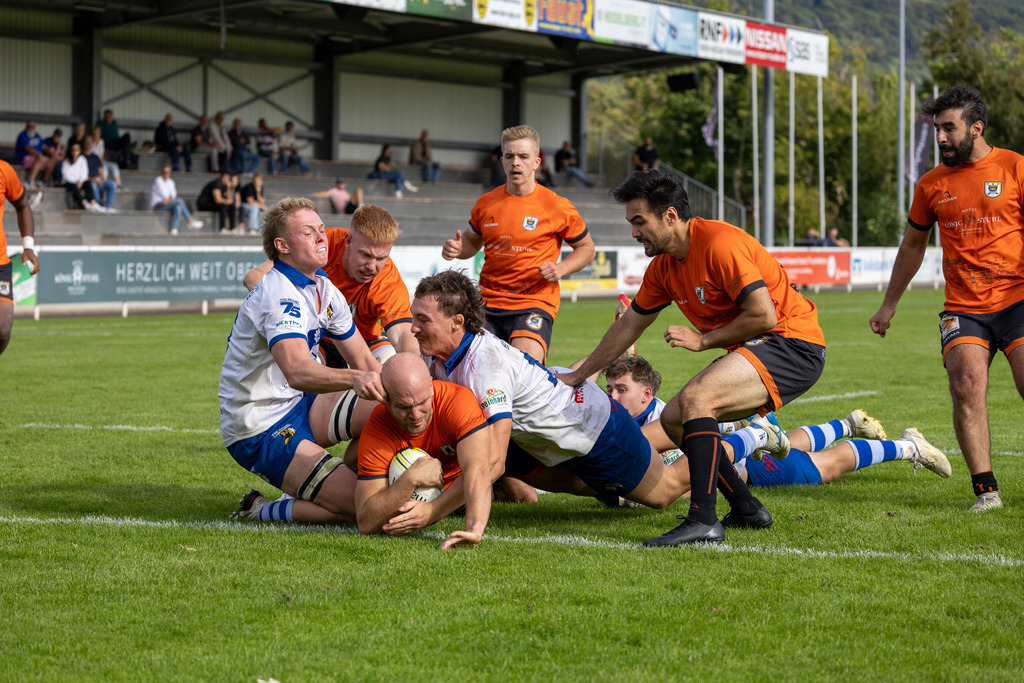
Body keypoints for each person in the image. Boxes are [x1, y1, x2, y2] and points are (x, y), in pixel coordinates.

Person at [557, 170, 827, 546]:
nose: (634, 232)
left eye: (639, 221)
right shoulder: (663, 268)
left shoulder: (719, 243)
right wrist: (582, 374)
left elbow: (763, 315)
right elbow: (628, 326)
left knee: (698, 399)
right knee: (673, 418)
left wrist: (703, 341)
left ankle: (703, 518)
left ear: (669, 216)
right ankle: (746, 507)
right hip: (762, 345)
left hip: (793, 343)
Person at [410, 270, 697, 512]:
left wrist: (433, 511)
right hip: (552, 427)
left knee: (664, 492)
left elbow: (493, 463)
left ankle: (728, 439)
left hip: (595, 428)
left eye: (423, 320)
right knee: (582, 483)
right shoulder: (441, 352)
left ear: (457, 322)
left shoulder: (485, 368)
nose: (413, 328)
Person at [870, 84, 1024, 514]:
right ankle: (985, 491)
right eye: (937, 128)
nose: (940, 138)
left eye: (949, 128)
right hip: (964, 306)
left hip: (1018, 300)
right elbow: (913, 246)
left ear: (976, 128)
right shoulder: (931, 184)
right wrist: (889, 305)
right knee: (965, 387)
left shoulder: (1015, 168)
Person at [221, 197, 386, 525]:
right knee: (367, 506)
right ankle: (260, 510)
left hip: (300, 402)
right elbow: (296, 370)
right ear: (281, 245)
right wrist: (355, 379)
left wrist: (410, 399)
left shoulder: (323, 287)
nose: (322, 238)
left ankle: (332, 478)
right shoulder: (279, 295)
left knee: (388, 404)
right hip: (260, 426)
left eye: (321, 230)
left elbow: (365, 359)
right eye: (308, 232)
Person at [603, 356, 952, 491]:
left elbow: (690, 473)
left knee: (828, 465)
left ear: (647, 395)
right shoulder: (637, 415)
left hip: (746, 467)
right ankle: (846, 424)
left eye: (621, 390)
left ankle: (909, 446)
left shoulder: (667, 420)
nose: (613, 397)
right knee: (791, 442)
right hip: (743, 454)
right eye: (610, 389)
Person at [441, 125, 596, 363]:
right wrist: (457, 250)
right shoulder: (486, 203)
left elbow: (586, 248)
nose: (516, 162)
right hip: (487, 302)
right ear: (502, 161)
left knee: (524, 367)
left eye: (523, 157)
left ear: (536, 162)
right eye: (510, 156)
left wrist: (561, 268)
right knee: (475, 368)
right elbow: (472, 242)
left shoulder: (556, 205)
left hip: (533, 301)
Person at [243, 204, 419, 364]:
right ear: (348, 241)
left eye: (381, 258)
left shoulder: (387, 277)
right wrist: (296, 307)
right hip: (318, 337)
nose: (372, 266)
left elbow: (403, 335)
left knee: (392, 367)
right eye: (365, 255)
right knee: (306, 366)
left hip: (366, 341)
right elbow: (255, 277)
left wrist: (411, 371)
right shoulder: (322, 245)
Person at [354, 353, 494, 548]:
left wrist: (474, 528)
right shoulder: (378, 428)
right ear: (386, 398)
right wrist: (412, 478)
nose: (415, 415)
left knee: (522, 492)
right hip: (414, 491)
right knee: (346, 492)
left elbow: (479, 467)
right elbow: (366, 522)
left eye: (421, 403)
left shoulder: (456, 401)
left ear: (430, 385)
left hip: (460, 488)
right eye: (403, 407)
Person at [0, 159, 41, 356]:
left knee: (2, 330)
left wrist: (28, 246)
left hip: (0, 264)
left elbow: (23, 206)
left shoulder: (4, 170)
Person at [150, 165, 204, 235]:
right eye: (164, 172)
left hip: (167, 204)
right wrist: (169, 198)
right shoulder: (158, 180)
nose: (166, 174)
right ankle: (190, 221)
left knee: (178, 207)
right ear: (161, 172)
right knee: (179, 201)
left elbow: (174, 195)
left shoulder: (171, 181)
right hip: (158, 205)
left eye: (168, 172)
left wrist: (168, 199)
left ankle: (174, 229)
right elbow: (165, 195)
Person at [60, 141, 101, 212]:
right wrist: (76, 182)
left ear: (79, 150)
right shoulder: (66, 162)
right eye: (73, 150)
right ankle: (84, 203)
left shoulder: (82, 159)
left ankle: (93, 202)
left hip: (79, 182)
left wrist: (80, 181)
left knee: (88, 183)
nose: (74, 152)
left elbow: (84, 172)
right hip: (69, 183)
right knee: (73, 186)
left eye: (76, 150)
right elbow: (66, 175)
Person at [83, 137, 117, 213]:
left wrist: (100, 179)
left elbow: (100, 171)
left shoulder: (95, 157)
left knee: (112, 184)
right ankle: (97, 204)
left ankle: (108, 206)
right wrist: (92, 179)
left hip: (97, 180)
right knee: (92, 184)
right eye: (87, 142)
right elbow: (82, 175)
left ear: (92, 144)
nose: (88, 144)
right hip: (88, 181)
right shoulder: (82, 157)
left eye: (90, 142)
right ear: (84, 143)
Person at [15, 120, 50, 189]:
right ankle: (30, 181)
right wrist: (38, 154)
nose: (31, 128)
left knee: (52, 160)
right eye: (29, 126)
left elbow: (44, 146)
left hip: (38, 158)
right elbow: (27, 148)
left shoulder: (36, 135)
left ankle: (44, 182)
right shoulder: (23, 135)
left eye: (32, 126)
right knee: (40, 157)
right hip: (26, 158)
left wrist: (53, 153)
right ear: (26, 127)